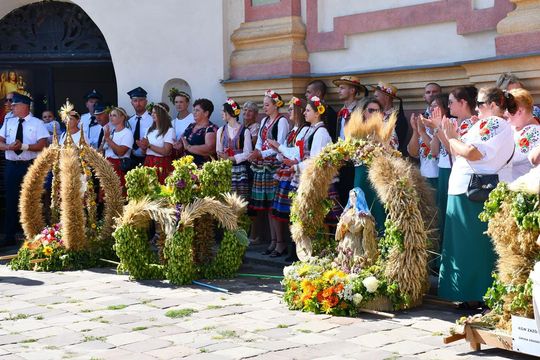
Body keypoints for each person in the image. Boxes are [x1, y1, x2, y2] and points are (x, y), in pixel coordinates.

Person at [438, 87, 515, 306]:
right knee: (467, 244)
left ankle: (475, 295)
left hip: (473, 192)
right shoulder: (490, 124)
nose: (477, 108)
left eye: (480, 104)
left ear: (492, 105)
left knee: (471, 245)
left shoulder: (495, 123)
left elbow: (472, 152)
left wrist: (452, 137)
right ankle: (468, 294)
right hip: (469, 190)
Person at [0, 93, 48, 247]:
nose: (11, 107)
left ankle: (33, 234)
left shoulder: (37, 123)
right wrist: (8, 147)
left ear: (24, 106)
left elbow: (42, 145)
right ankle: (9, 236)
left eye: (14, 104)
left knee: (32, 199)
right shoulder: (9, 123)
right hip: (12, 166)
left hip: (29, 165)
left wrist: (24, 146)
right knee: (11, 200)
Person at [247, 90, 289, 256]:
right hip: (262, 166)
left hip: (274, 167)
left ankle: (280, 242)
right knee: (266, 207)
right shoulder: (264, 120)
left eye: (266, 104)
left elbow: (280, 146)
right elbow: (259, 142)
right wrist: (255, 153)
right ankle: (273, 241)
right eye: (263, 104)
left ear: (276, 105)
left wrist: (261, 154)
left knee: (274, 205)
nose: (264, 107)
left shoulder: (282, 122)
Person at [267, 97, 309, 259]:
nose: (288, 112)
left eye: (291, 109)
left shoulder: (304, 131)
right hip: (286, 170)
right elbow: (285, 152)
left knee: (292, 211)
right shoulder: (293, 130)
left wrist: (280, 147)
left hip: (295, 172)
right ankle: (280, 243)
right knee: (278, 210)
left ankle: (294, 248)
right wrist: (278, 152)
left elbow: (296, 154)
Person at [333, 76, 367, 207]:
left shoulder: (360, 111)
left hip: (354, 161)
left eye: (342, 88)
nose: (338, 91)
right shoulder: (341, 112)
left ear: (352, 90)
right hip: (342, 161)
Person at [216, 98, 252, 200]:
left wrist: (231, 158)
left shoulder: (245, 131)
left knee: (240, 200)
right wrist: (222, 157)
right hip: (225, 170)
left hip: (240, 170)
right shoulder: (221, 130)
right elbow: (218, 150)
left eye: (223, 111)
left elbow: (247, 153)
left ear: (230, 113)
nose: (221, 113)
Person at [506, 88, 540, 180]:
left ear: (520, 111)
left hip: (520, 190)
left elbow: (510, 158)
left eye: (508, 109)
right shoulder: (512, 126)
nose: (505, 113)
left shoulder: (534, 131)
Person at [137, 102, 174, 184]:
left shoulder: (169, 130)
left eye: (155, 113)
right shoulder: (149, 130)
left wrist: (149, 145)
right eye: (152, 112)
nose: (153, 115)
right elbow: (144, 152)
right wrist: (143, 147)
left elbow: (166, 151)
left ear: (162, 114)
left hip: (161, 164)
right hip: (148, 162)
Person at [102, 107, 134, 189]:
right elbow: (101, 150)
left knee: (117, 195)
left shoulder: (127, 133)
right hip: (107, 165)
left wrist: (108, 139)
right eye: (110, 115)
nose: (111, 117)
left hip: (119, 166)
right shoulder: (111, 132)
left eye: (114, 115)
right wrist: (104, 141)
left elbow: (121, 152)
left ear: (122, 117)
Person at [372, 81, 406, 153]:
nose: (374, 100)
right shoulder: (374, 115)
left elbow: (398, 143)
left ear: (386, 98)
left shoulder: (398, 118)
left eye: (376, 96)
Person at [182, 98, 218, 166]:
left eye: (197, 110)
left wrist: (189, 147)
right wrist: (179, 145)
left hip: (202, 170)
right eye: (194, 110)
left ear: (206, 113)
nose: (194, 112)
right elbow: (184, 141)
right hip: (186, 168)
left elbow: (209, 149)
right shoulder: (191, 126)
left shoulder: (211, 128)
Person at [127, 87, 152, 167]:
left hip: (147, 157)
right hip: (131, 158)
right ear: (132, 103)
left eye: (141, 100)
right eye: (135, 101)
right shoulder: (129, 121)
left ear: (146, 102)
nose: (138, 103)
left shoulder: (152, 119)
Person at [171, 90, 194, 158]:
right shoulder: (173, 122)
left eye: (181, 102)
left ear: (187, 103)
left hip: (190, 154)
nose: (178, 104)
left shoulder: (193, 119)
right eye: (176, 102)